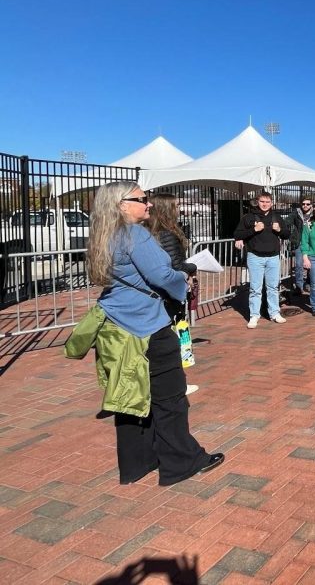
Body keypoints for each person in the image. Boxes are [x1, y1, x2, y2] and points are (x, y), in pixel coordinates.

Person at [66, 181, 223, 486]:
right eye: (142, 199)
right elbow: (161, 275)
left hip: (115, 323)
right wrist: (183, 280)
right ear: (121, 204)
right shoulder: (134, 234)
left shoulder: (102, 235)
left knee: (129, 397)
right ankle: (182, 462)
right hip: (147, 325)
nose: (148, 204)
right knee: (171, 397)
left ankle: (137, 463)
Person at [233, 191, 289, 328]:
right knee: (255, 288)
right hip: (255, 257)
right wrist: (253, 230)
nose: (265, 204)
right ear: (258, 202)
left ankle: (274, 313)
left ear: (272, 203)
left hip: (273, 257)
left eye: (267, 202)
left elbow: (287, 234)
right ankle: (254, 315)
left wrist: (279, 230)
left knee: (273, 287)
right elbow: (237, 233)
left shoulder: (276, 217)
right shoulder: (249, 217)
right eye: (262, 201)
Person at [143, 194, 197, 324]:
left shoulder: (148, 230)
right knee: (175, 325)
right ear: (166, 209)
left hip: (157, 290)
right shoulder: (167, 233)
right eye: (177, 206)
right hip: (169, 290)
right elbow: (175, 265)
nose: (180, 209)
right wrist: (193, 267)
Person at [287, 200, 306, 296]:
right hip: (300, 242)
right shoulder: (296, 213)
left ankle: (310, 283)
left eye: (308, 204)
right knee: (299, 264)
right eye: (303, 204)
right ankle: (299, 286)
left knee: (312, 264)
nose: (305, 205)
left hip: (312, 242)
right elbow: (287, 221)